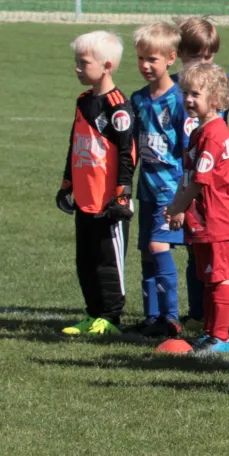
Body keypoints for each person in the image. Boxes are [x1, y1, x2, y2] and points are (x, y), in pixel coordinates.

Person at [59, 30, 135, 337]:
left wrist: (122, 194)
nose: (77, 67)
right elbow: (74, 143)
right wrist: (67, 184)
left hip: (107, 201)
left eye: (84, 62)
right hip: (85, 197)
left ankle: (111, 318)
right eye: (76, 61)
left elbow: (128, 153)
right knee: (86, 261)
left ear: (107, 66)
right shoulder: (83, 102)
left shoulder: (117, 106)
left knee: (108, 262)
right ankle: (92, 315)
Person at [164, 63, 229, 355]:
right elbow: (188, 175)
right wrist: (178, 206)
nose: (188, 99)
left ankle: (221, 337)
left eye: (195, 94)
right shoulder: (200, 130)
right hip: (203, 216)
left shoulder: (213, 133)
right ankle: (211, 332)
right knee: (208, 277)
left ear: (216, 97)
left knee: (219, 275)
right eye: (185, 93)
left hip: (217, 216)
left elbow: (200, 180)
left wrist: (177, 207)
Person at [128, 22, 188, 339]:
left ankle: (171, 318)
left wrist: (184, 197)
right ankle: (152, 319)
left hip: (171, 190)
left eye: (152, 59)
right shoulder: (138, 99)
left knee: (157, 245)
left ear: (171, 58)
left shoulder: (179, 100)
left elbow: (188, 149)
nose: (145, 65)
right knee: (146, 251)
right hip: (147, 189)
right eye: (141, 58)